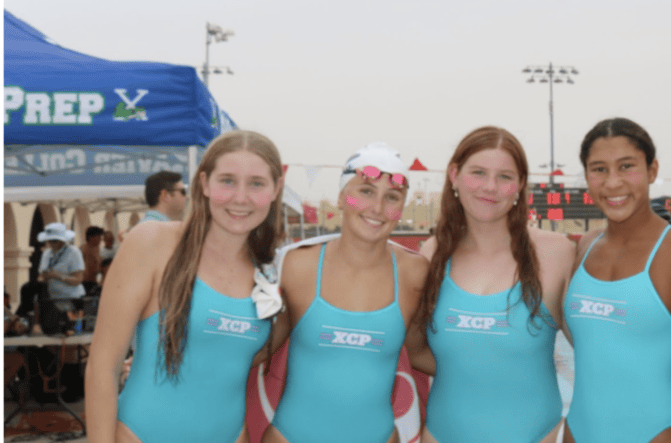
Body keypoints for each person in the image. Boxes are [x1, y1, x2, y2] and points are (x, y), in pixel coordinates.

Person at [85, 130, 286, 443]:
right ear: (204, 183)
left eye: (257, 183)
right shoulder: (152, 242)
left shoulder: (268, 272)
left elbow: (239, 355)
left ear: (276, 189)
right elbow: (103, 367)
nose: (241, 197)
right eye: (228, 180)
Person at [563, 117, 671, 443]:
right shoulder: (585, 248)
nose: (613, 182)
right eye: (599, 169)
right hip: (578, 433)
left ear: (652, 170)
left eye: (627, 166)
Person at [408, 126, 575, 443]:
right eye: (478, 173)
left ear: (520, 184)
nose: (490, 187)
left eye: (504, 177)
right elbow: (414, 351)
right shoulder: (430, 257)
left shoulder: (556, 254)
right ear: (454, 175)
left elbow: (599, 349)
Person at [262, 142, 429, 443]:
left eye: (392, 197)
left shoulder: (414, 274)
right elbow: (255, 350)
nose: (377, 208)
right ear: (341, 196)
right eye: (365, 191)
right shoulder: (295, 265)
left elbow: (421, 353)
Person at [81, 226, 104, 296]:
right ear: (91, 237)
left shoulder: (96, 248)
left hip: (93, 282)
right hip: (85, 283)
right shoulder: (84, 249)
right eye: (99, 237)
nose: (100, 239)